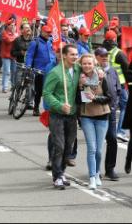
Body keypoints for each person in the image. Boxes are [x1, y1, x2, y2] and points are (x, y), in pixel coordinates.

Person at [43, 44, 81, 190]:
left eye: (76, 54)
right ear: (64, 55)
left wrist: (100, 73)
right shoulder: (55, 72)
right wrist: (60, 105)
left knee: (68, 147)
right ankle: (57, 176)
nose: (75, 57)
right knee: (59, 145)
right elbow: (46, 93)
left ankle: (62, 172)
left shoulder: (77, 69)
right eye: (72, 54)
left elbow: (91, 67)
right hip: (57, 115)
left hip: (72, 115)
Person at [77, 53, 112, 189]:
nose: (87, 66)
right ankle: (91, 177)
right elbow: (77, 99)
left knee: (98, 150)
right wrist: (81, 88)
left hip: (102, 115)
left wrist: (95, 98)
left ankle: (97, 173)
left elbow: (109, 97)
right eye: (84, 63)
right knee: (91, 149)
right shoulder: (79, 77)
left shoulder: (102, 76)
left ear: (94, 64)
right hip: (86, 116)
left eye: (89, 63)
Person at [95, 47, 121, 182]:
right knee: (96, 143)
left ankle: (110, 169)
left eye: (106, 56)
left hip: (110, 111)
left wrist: (116, 104)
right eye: (101, 56)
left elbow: (118, 89)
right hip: (96, 112)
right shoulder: (92, 71)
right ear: (96, 57)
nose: (105, 58)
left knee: (112, 139)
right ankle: (95, 169)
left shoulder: (113, 71)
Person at [103, 29, 130, 142]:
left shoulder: (103, 51)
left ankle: (107, 132)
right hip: (120, 83)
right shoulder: (118, 52)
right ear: (115, 39)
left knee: (110, 108)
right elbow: (127, 68)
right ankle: (120, 131)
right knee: (124, 107)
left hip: (107, 83)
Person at [26, 25, 55, 116]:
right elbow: (29, 55)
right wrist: (28, 65)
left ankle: (50, 109)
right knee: (39, 91)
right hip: (39, 70)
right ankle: (36, 108)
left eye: (49, 32)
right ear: (42, 32)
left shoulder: (51, 42)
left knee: (51, 90)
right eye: (46, 32)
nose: (48, 34)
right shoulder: (35, 42)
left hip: (51, 70)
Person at [11, 23, 32, 88]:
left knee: (29, 84)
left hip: (30, 66)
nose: (28, 29)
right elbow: (12, 53)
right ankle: (15, 94)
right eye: (26, 28)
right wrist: (21, 53)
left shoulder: (33, 40)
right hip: (20, 64)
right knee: (18, 83)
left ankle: (27, 97)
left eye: (29, 27)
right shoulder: (17, 40)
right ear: (22, 30)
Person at [0, 19, 18, 93]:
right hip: (6, 55)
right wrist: (14, 36)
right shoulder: (4, 33)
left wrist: (15, 35)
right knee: (7, 71)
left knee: (14, 71)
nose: (13, 26)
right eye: (12, 25)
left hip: (13, 55)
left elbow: (18, 41)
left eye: (14, 25)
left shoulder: (16, 34)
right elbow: (8, 40)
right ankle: (5, 87)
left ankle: (13, 86)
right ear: (8, 26)